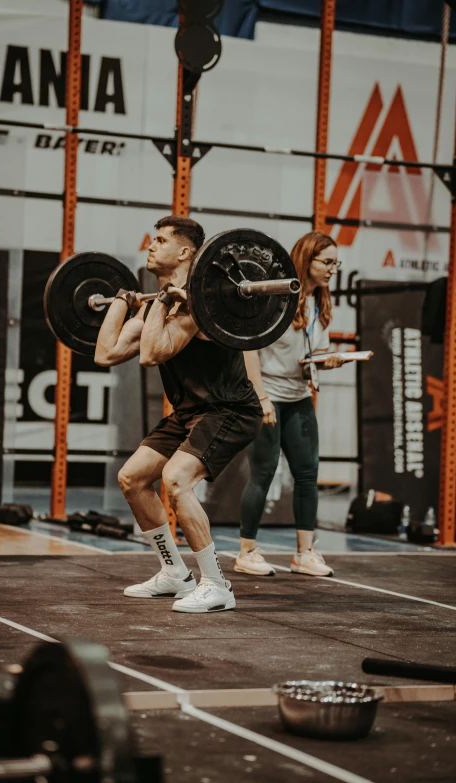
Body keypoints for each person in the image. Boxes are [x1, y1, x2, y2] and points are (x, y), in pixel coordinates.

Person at [95, 216, 262, 613]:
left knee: (176, 479)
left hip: (230, 409)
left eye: (161, 240)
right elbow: (106, 353)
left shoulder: (199, 306)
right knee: (132, 478)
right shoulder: (164, 305)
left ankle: (217, 584)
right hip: (190, 411)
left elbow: (152, 354)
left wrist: (166, 301)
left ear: (185, 252)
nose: (151, 246)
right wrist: (121, 302)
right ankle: (174, 573)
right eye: (152, 239)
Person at [236, 231, 345, 578]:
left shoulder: (319, 302)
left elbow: (312, 354)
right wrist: (261, 398)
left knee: (308, 475)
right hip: (268, 396)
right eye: (326, 262)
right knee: (263, 473)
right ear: (306, 260)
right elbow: (248, 348)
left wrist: (327, 361)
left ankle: (304, 554)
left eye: (335, 263)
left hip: (299, 397)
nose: (332, 269)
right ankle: (246, 551)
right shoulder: (276, 298)